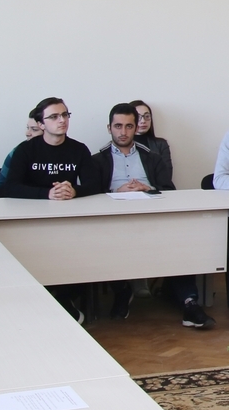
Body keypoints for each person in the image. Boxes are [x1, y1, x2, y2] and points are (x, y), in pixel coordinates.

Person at [91, 105, 215, 329]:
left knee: (182, 240)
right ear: (109, 128)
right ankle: (122, 291)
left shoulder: (152, 158)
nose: (123, 132)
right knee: (97, 243)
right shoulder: (97, 161)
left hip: (153, 220)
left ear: (135, 127)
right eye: (118, 126)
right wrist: (116, 191)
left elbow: (169, 191)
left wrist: (147, 188)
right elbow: (90, 197)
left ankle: (189, 303)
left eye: (129, 126)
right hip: (113, 223)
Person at [2, 98, 100, 201]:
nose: (62, 120)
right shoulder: (24, 149)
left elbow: (94, 185)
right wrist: (47, 193)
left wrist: (74, 191)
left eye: (65, 115)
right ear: (41, 124)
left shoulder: (80, 149)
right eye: (54, 117)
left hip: (67, 206)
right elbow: (11, 187)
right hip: (32, 205)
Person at [130, 99, 174, 186]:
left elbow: (166, 177)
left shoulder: (161, 144)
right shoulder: (121, 146)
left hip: (155, 191)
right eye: (138, 117)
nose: (143, 121)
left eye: (147, 116)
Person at [0, 111, 44, 191]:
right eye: (28, 128)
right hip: (22, 198)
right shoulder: (19, 151)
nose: (27, 133)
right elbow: (1, 186)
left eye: (34, 129)